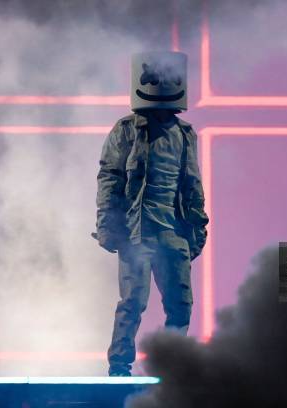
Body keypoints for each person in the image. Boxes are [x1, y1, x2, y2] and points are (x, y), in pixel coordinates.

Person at [94, 51, 208, 376]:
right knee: (132, 304)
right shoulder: (126, 129)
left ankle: (170, 368)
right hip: (136, 233)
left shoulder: (185, 134)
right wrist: (107, 225)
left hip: (174, 234)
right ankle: (119, 367)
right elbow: (110, 177)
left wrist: (197, 232)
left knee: (181, 305)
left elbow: (192, 184)